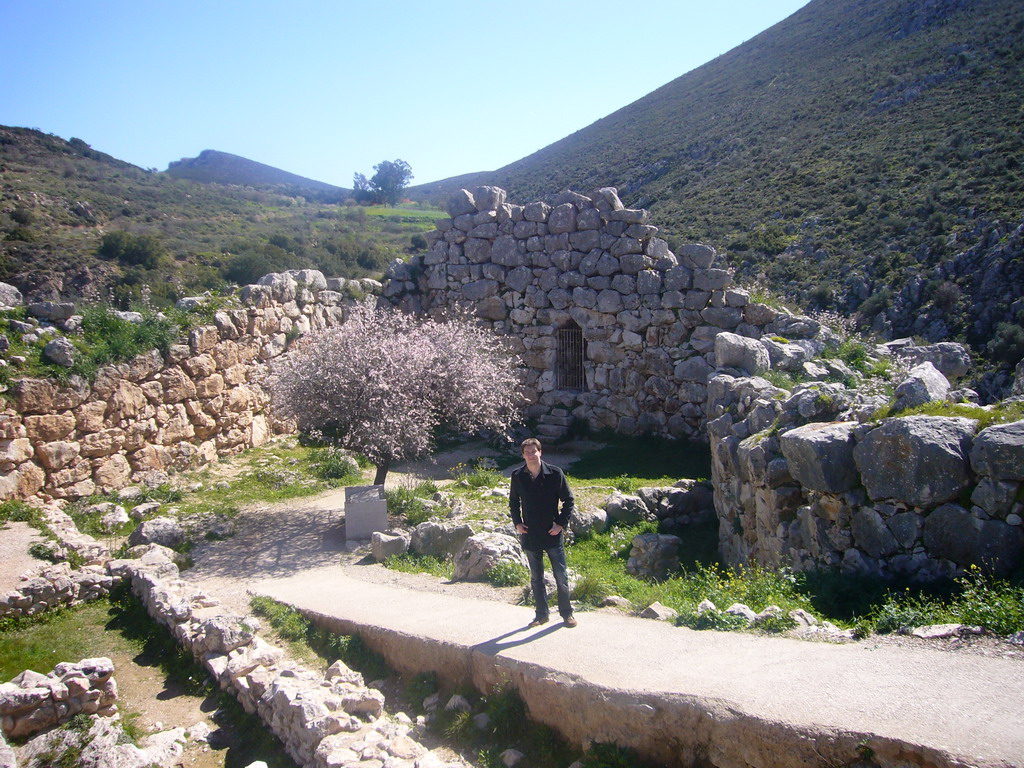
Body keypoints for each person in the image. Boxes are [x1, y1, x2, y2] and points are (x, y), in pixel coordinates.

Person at [508, 437, 577, 628]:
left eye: (533, 451)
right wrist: (517, 523)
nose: (531, 455)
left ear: (540, 452)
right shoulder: (518, 475)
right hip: (530, 533)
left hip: (552, 533)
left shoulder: (555, 474)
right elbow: (514, 502)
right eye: (527, 452)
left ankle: (566, 614)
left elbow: (569, 500)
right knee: (536, 577)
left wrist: (560, 524)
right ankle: (541, 615)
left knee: (561, 576)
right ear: (523, 455)